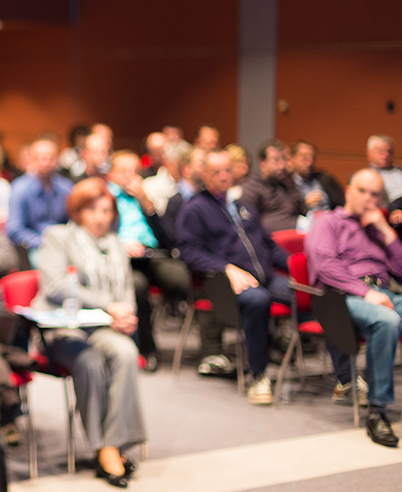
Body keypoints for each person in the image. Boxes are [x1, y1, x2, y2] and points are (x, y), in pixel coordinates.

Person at [34, 178, 146, 488]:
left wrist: (126, 316)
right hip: (61, 329)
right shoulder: (57, 237)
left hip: (101, 327)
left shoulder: (115, 244)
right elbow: (55, 286)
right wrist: (110, 304)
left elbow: (126, 292)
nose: (101, 217)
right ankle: (102, 448)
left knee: (125, 352)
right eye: (93, 209)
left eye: (107, 210)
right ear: (78, 210)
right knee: (90, 362)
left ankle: (112, 444)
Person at [177, 150, 292, 404]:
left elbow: (268, 245)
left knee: (309, 293)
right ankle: (258, 375)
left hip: (265, 275)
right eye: (216, 172)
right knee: (258, 300)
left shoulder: (243, 207)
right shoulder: (195, 209)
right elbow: (190, 252)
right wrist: (226, 268)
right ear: (205, 175)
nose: (223, 176)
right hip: (223, 284)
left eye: (227, 170)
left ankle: (343, 376)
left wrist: (294, 264)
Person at [305, 169, 402, 447]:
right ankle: (377, 411)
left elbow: (400, 270)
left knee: (388, 314)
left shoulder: (376, 228)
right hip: (342, 296)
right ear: (348, 191)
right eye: (363, 191)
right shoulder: (327, 223)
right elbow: (326, 266)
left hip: (380, 292)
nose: (369, 199)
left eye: (375, 194)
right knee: (387, 321)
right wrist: (365, 292)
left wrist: (385, 230)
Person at [105, 151, 190, 371]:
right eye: (123, 171)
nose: (129, 176)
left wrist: (147, 203)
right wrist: (121, 245)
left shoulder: (143, 196)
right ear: (111, 174)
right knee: (138, 287)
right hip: (121, 259)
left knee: (184, 279)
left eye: (134, 171)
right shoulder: (106, 197)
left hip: (152, 255)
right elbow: (100, 235)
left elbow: (166, 239)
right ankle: (146, 349)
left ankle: (212, 348)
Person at [7, 136, 73, 263]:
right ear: (32, 159)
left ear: (57, 159)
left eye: (51, 157)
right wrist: (43, 242)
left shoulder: (67, 187)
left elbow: (74, 221)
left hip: (63, 244)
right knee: (49, 263)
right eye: (40, 157)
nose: (45, 162)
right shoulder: (19, 188)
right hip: (35, 247)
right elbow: (14, 229)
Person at [239, 139, 306, 234]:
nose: (282, 165)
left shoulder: (287, 185)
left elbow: (303, 212)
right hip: (270, 242)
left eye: (284, 159)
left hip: (297, 237)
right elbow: (250, 225)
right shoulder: (250, 188)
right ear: (263, 163)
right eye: (276, 160)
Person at [289, 140, 344, 214]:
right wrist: (304, 204)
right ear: (292, 159)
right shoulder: (285, 184)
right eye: (304, 158)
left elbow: (343, 204)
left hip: (329, 220)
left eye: (313, 158)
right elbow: (284, 214)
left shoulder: (325, 179)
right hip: (301, 222)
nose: (310, 162)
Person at [367, 134, 402, 203]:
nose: (386, 155)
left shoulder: (400, 171)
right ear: (369, 153)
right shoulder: (367, 176)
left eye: (389, 151)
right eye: (381, 151)